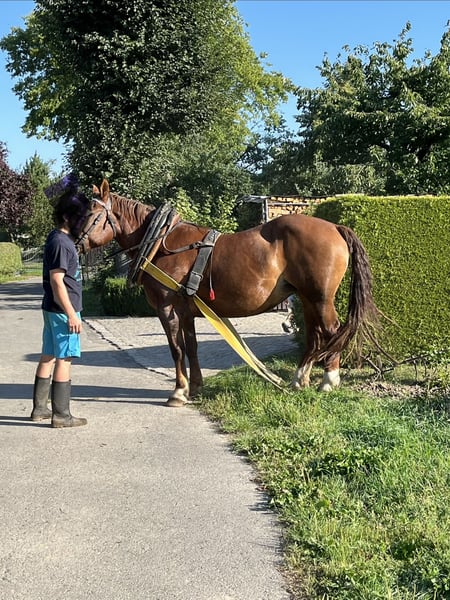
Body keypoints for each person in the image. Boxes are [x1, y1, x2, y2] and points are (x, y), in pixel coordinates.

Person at [30, 174, 90, 428]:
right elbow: (57, 281)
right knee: (65, 358)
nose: (82, 223)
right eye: (79, 218)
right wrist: (72, 313)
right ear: (67, 217)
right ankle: (62, 415)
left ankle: (40, 409)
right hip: (63, 310)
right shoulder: (62, 243)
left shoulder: (57, 238)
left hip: (53, 309)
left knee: (49, 355)